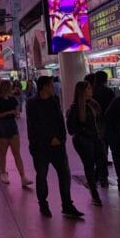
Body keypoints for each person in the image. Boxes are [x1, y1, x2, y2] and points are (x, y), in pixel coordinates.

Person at [26, 76, 83, 218]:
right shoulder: (32, 103)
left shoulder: (54, 100)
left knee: (64, 174)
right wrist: (50, 138)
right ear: (44, 87)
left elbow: (59, 120)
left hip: (58, 145)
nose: (53, 87)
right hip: (41, 147)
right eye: (51, 85)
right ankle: (43, 204)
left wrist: (62, 138)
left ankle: (67, 205)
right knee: (42, 176)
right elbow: (35, 126)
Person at [66, 81, 106, 206]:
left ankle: (92, 184)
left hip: (97, 139)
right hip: (83, 141)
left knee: (101, 162)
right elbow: (71, 129)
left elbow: (101, 120)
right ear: (82, 91)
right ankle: (94, 194)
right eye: (88, 88)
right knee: (89, 165)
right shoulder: (76, 108)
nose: (91, 90)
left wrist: (101, 134)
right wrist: (84, 132)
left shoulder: (94, 104)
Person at [0, 80, 32, 186]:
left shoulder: (12, 99)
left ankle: (23, 177)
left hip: (11, 126)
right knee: (3, 152)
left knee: (16, 152)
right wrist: (9, 112)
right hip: (2, 126)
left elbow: (16, 111)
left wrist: (15, 112)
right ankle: (3, 173)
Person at [93, 70, 115, 186]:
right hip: (110, 125)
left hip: (97, 126)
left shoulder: (92, 92)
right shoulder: (109, 91)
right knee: (116, 152)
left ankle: (102, 177)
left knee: (102, 152)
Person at [105, 77, 120, 191]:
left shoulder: (117, 101)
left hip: (118, 132)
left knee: (118, 157)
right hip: (118, 132)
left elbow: (108, 116)